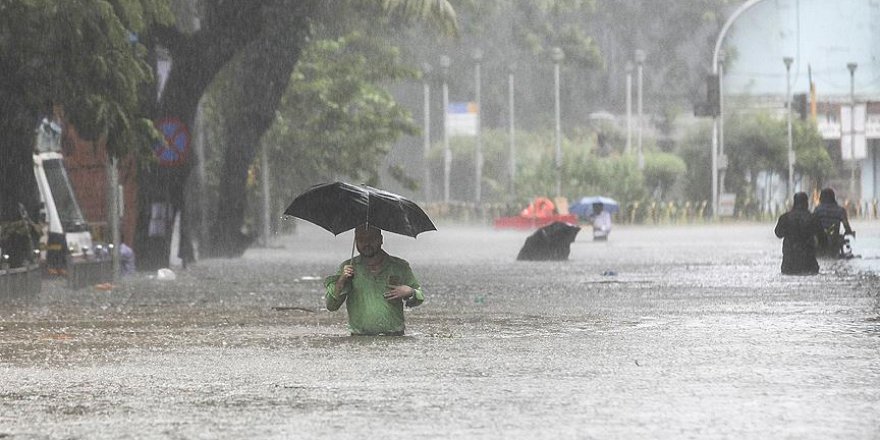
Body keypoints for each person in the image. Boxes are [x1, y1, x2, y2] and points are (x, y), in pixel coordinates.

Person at [324, 225, 424, 336]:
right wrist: (341, 280)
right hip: (359, 339)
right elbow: (331, 306)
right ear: (355, 241)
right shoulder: (348, 268)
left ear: (381, 240)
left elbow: (420, 296)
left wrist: (410, 292)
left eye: (371, 239)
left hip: (394, 337)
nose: (366, 243)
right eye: (361, 239)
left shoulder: (399, 266)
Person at [774, 192, 821, 275]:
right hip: (809, 263)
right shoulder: (813, 218)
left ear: (794, 203)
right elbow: (822, 238)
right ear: (806, 203)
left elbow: (778, 234)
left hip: (789, 263)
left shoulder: (785, 218)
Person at [812, 188, 855, 257]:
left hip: (820, 240)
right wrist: (849, 232)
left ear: (821, 197)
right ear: (833, 197)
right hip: (834, 240)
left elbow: (813, 225)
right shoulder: (841, 210)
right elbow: (846, 226)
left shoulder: (817, 210)